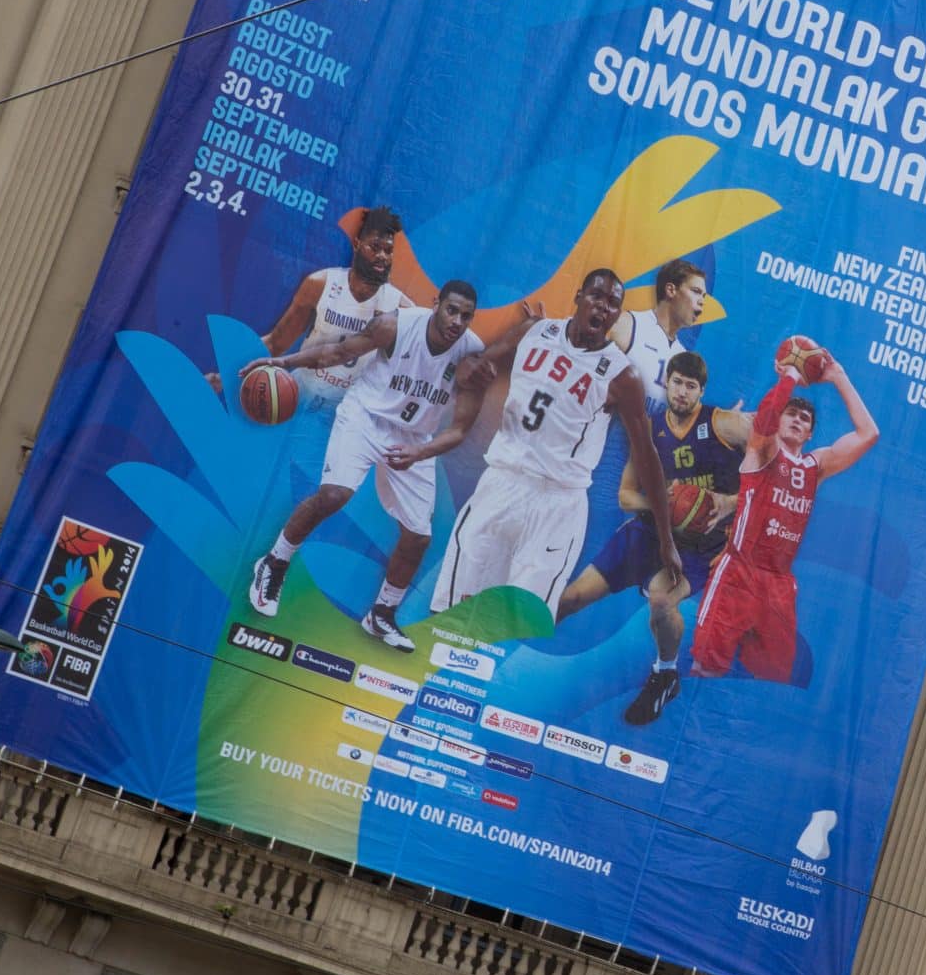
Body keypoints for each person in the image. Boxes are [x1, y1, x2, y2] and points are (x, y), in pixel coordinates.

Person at [241, 283, 486, 651]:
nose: (457, 321)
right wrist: (283, 363)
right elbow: (338, 352)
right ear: (436, 304)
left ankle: (382, 614)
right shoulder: (395, 326)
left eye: (466, 316)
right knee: (334, 495)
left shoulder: (472, 353)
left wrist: (419, 453)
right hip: (366, 418)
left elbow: (460, 430)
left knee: (418, 536)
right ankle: (274, 562)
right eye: (452, 310)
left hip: (415, 438)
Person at [429, 269, 683, 622]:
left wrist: (666, 538)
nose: (603, 307)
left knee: (514, 626)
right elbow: (475, 366)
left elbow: (646, 455)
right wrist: (469, 370)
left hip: (559, 505)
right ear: (578, 297)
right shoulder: (534, 332)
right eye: (596, 296)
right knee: (453, 613)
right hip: (502, 482)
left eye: (613, 303)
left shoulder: (622, 375)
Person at [556, 350, 750, 723]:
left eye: (690, 386)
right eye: (677, 383)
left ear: (701, 391)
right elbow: (626, 495)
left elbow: (770, 477)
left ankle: (665, 674)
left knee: (661, 599)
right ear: (667, 384)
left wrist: (728, 502)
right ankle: (508, 636)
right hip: (649, 531)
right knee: (571, 598)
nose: (682, 392)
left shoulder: (725, 424)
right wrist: (663, 503)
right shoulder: (651, 428)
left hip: (699, 545)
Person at [693, 343, 878, 684]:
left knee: (772, 677)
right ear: (779, 420)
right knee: (706, 666)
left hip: (778, 583)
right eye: (791, 413)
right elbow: (765, 421)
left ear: (810, 434)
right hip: (740, 571)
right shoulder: (762, 450)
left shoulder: (815, 466)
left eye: (804, 418)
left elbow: (868, 434)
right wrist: (789, 377)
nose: (797, 419)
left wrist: (839, 377)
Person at [212, 206, 412, 410]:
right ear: (357, 244)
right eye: (375, 247)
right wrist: (224, 376)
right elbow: (276, 342)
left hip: (348, 408)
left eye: (388, 250)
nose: (382, 256)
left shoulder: (401, 308)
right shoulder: (320, 284)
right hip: (302, 390)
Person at [610, 257, 707, 409]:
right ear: (671, 290)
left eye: (703, 296)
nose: (702, 301)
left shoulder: (682, 356)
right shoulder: (628, 324)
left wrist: (719, 419)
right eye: (696, 291)